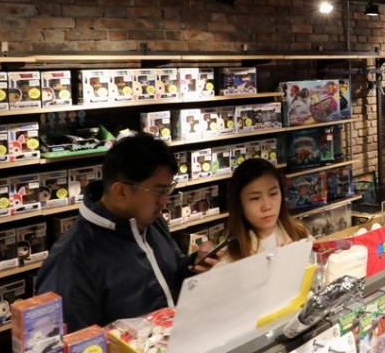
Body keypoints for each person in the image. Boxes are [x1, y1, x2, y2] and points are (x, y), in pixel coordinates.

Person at [35, 132, 217, 330]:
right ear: (120, 191)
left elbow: (167, 277)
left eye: (168, 189)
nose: (165, 201)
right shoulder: (71, 260)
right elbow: (75, 341)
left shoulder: (149, 221)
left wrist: (194, 266)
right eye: (158, 191)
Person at [219, 158, 310, 262]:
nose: (267, 206)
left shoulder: (299, 232)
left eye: (273, 194)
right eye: (255, 198)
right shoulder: (230, 253)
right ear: (239, 204)